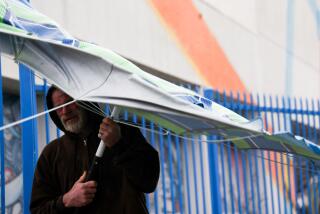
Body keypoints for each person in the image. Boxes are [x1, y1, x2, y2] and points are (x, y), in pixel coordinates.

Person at [30, 86, 160, 214]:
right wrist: (66, 200)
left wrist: (118, 145)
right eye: (58, 108)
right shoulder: (52, 153)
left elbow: (149, 182)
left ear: (85, 101)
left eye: (70, 102)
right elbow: (38, 210)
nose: (65, 111)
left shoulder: (123, 132)